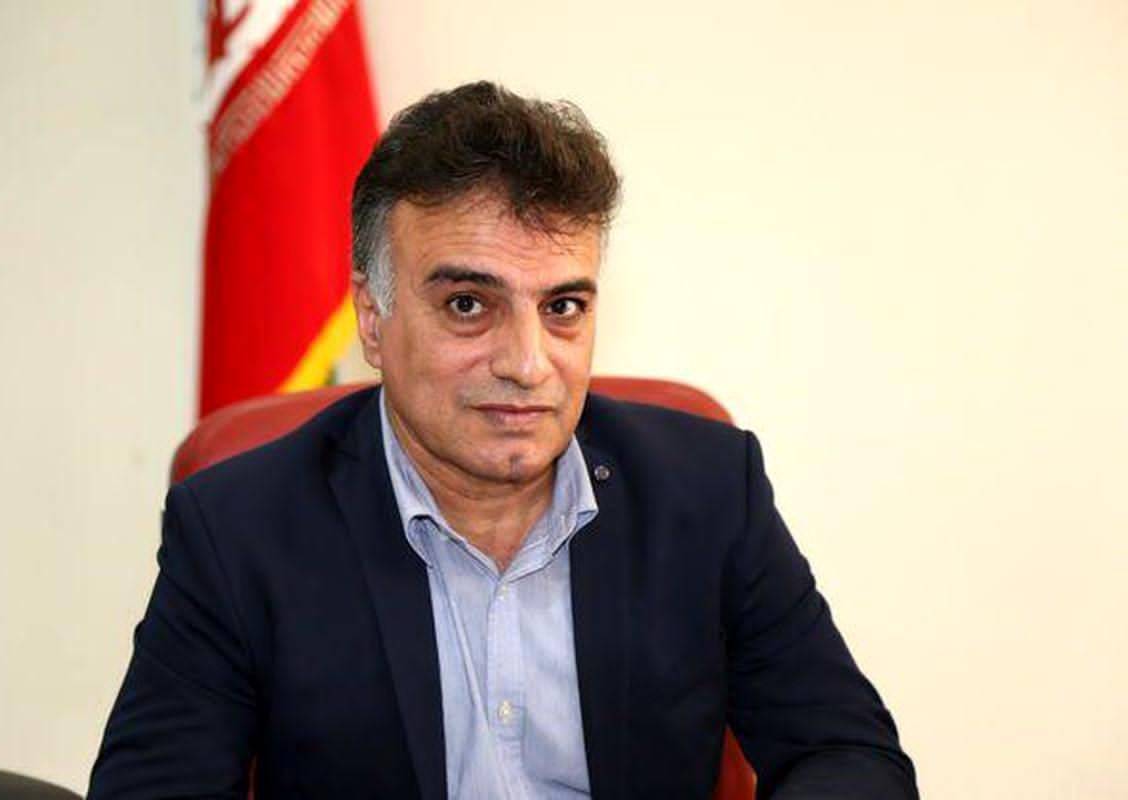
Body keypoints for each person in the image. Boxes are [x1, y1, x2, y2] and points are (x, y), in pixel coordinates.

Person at [89, 81, 917, 799]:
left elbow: (848, 754)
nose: (527, 364)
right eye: (468, 306)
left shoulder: (707, 492)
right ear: (373, 319)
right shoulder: (238, 529)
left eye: (563, 308)